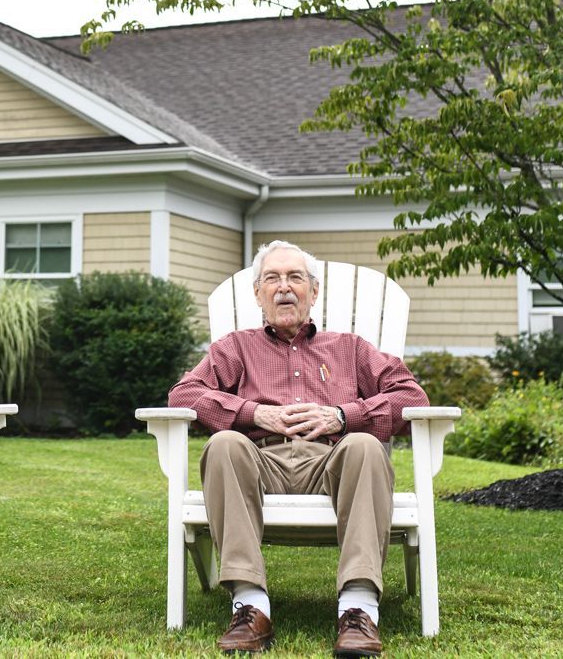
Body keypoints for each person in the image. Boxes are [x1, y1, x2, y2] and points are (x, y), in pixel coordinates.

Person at [168, 241, 429, 658]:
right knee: (223, 445)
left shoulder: (351, 348)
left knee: (364, 445)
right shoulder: (235, 348)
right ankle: (250, 605)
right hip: (260, 462)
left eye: (295, 278)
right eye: (272, 278)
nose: (284, 287)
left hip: (333, 463)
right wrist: (254, 414)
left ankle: (358, 609)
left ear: (314, 291)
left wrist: (344, 417)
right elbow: (184, 395)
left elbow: (412, 398)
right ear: (258, 295)